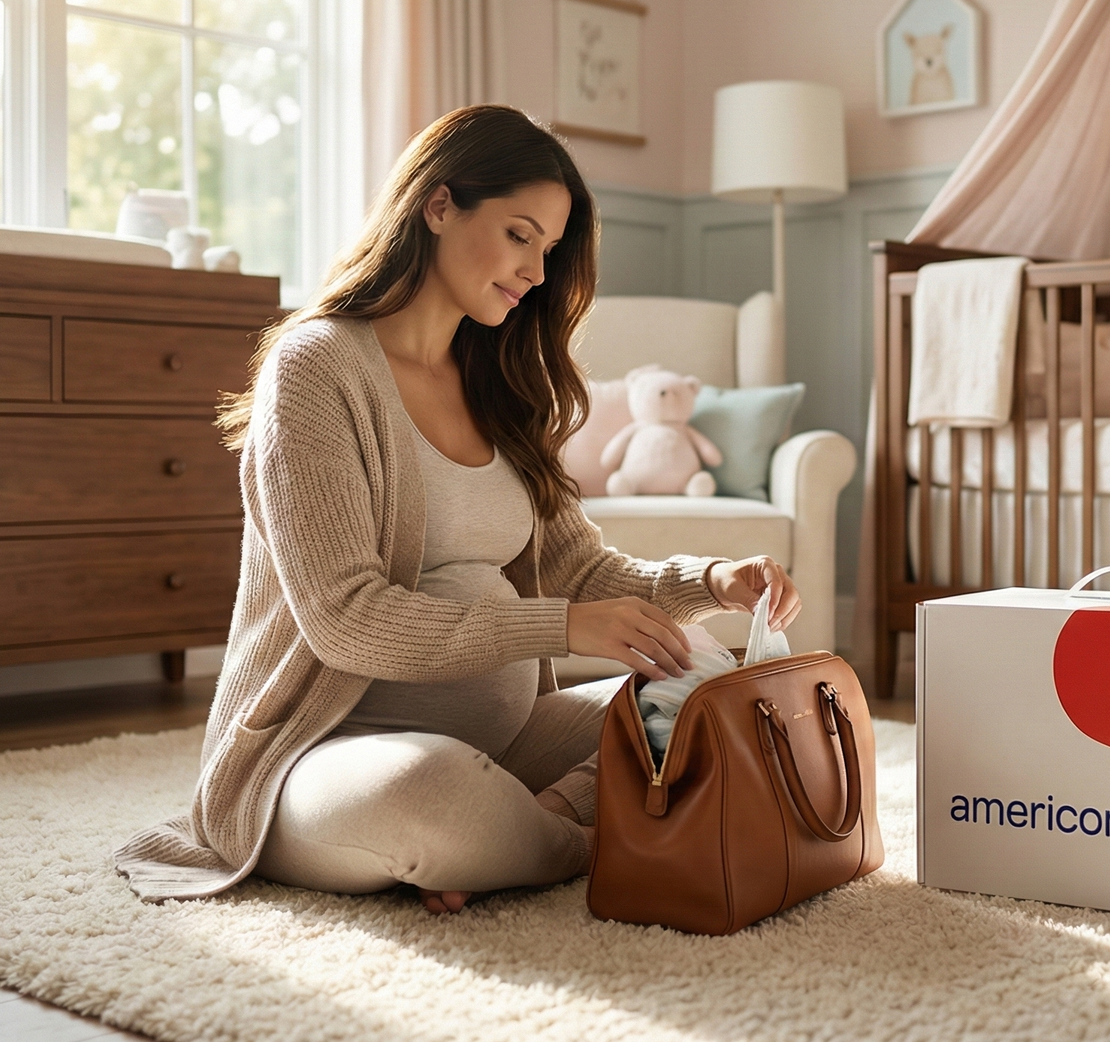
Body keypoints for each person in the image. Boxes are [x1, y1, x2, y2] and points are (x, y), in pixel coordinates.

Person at [113, 105, 800, 914]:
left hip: (509, 739)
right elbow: (346, 618)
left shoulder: (499, 380)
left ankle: (531, 827)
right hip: (324, 756)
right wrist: (563, 627)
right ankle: (580, 834)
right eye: (520, 235)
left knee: (725, 699)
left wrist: (715, 581)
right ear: (438, 206)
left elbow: (580, 570)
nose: (538, 273)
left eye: (548, 249)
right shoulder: (316, 370)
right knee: (430, 793)